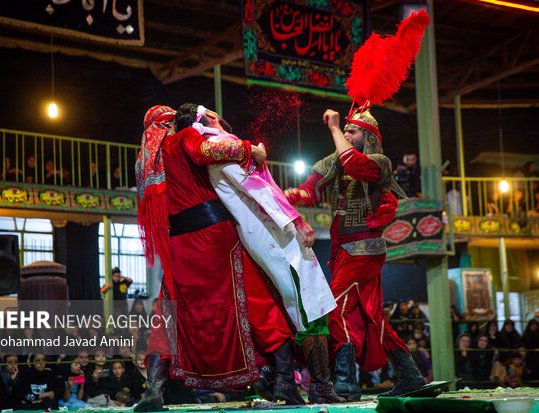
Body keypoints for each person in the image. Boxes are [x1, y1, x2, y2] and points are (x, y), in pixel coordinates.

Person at [283, 11, 429, 399]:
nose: (345, 133)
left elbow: (349, 162)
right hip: (346, 250)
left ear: (368, 137)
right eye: (345, 129)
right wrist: (295, 196)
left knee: (336, 310)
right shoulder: (340, 156)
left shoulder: (376, 163)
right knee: (372, 316)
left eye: (352, 131)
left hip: (362, 249)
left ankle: (346, 382)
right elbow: (315, 180)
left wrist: (334, 129)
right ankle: (411, 377)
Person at [134, 106, 298, 411]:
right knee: (256, 300)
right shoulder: (182, 137)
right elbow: (205, 151)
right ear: (171, 124)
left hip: (178, 244)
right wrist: (250, 150)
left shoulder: (147, 161)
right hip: (213, 237)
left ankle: (153, 391)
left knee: (168, 314)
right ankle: (286, 383)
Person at [180, 103, 341, 403]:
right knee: (307, 305)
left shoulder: (216, 146)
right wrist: (295, 218)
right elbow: (256, 188)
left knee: (305, 305)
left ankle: (311, 383)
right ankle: (320, 386)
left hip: (269, 231)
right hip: (274, 232)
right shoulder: (221, 143)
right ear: (211, 118)